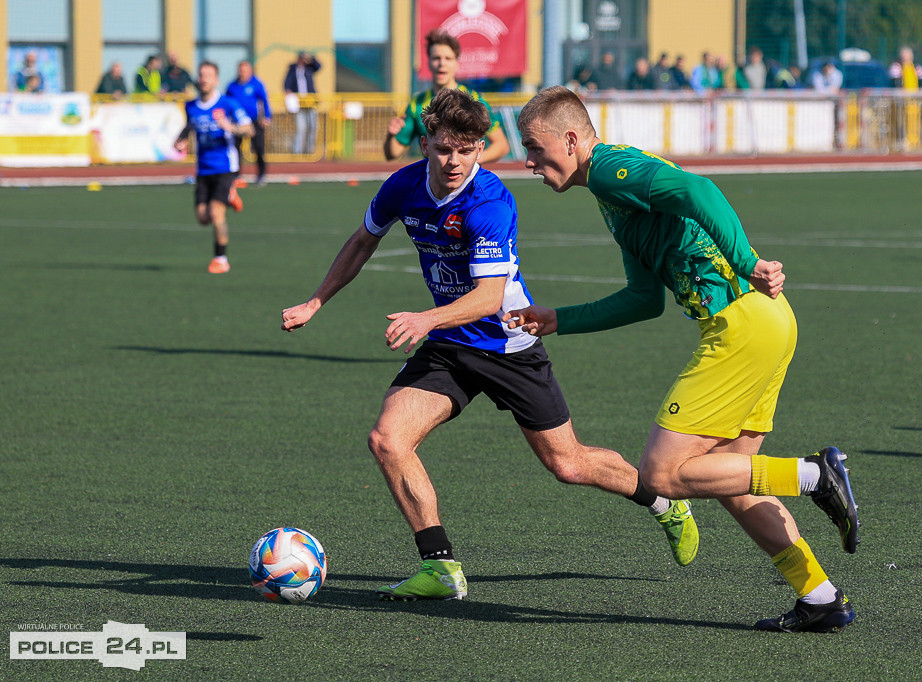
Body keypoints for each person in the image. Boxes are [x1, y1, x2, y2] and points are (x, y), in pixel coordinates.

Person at [281, 88, 699, 601]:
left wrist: (425, 317)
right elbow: (363, 240)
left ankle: (661, 501)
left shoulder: (490, 202)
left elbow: (489, 296)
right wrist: (316, 301)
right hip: (449, 343)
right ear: (425, 143)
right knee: (388, 439)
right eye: (443, 148)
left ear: (481, 148)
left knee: (567, 464)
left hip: (508, 342)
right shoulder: (403, 186)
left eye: (467, 149)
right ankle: (440, 568)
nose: (454, 161)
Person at [510, 86, 861, 633]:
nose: (527, 161)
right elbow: (643, 299)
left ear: (572, 139)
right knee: (731, 483)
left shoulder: (610, 169)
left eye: (533, 146)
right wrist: (561, 317)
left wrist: (746, 261)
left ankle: (817, 474)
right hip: (768, 322)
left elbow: (699, 189)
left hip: (741, 325)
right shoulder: (611, 198)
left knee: (662, 473)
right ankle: (820, 598)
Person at [173, 61, 253, 274]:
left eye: (208, 75)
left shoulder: (227, 104)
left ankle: (221, 259)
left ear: (216, 80)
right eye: (201, 75)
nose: (203, 79)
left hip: (225, 167)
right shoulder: (191, 105)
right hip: (203, 169)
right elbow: (190, 125)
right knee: (203, 217)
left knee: (217, 214)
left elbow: (249, 129)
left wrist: (230, 127)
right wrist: (180, 140)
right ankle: (230, 197)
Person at [383, 30, 509, 164]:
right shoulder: (417, 103)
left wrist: (466, 161)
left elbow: (501, 146)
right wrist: (391, 135)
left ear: (457, 63)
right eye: (436, 58)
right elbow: (393, 153)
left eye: (448, 58)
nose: (441, 63)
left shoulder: (473, 100)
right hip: (433, 181)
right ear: (429, 62)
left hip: (465, 180)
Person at [226, 60, 273, 184]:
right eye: (241, 70)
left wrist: (266, 117)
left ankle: (261, 175)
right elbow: (226, 103)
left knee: (258, 148)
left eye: (245, 70)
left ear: (250, 71)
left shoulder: (256, 84)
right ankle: (236, 175)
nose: (243, 73)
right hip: (238, 123)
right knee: (235, 149)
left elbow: (265, 101)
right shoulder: (232, 86)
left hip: (254, 121)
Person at [283, 51, 321, 154]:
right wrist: (288, 92)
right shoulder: (293, 70)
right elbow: (287, 84)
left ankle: (309, 151)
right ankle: (297, 151)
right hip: (298, 103)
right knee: (301, 128)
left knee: (313, 127)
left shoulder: (309, 68)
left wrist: (311, 58)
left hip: (311, 102)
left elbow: (318, 66)